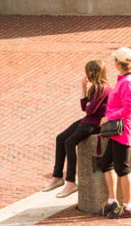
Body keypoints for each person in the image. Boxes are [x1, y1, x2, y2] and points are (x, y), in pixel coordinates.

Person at [43, 60, 111, 198]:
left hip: (97, 123)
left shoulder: (104, 88)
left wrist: (88, 104)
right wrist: (84, 90)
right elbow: (84, 108)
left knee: (70, 142)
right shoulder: (95, 88)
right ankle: (57, 177)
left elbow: (90, 110)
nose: (88, 75)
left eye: (89, 72)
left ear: (95, 73)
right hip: (89, 119)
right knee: (60, 138)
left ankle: (71, 181)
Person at [98, 47, 131, 219]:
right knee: (106, 163)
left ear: (118, 63)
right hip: (121, 128)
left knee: (122, 168)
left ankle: (128, 206)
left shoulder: (127, 82)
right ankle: (112, 201)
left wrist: (109, 117)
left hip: (122, 129)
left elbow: (129, 108)